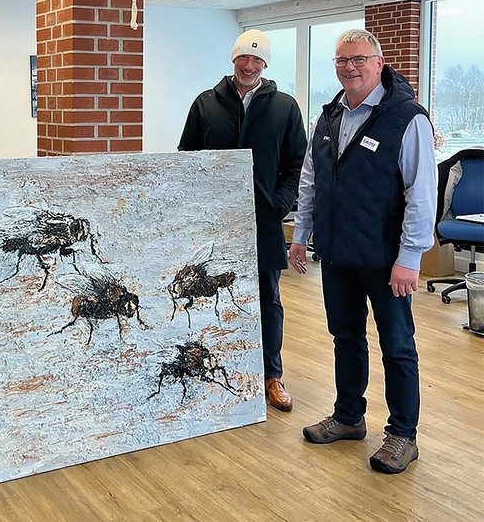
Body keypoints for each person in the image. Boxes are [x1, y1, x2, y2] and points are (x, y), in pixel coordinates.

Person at [290, 29, 437, 474]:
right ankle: (349, 417)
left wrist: (410, 257)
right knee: (346, 338)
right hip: (337, 254)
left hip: (385, 260)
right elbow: (312, 181)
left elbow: (422, 193)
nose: (349, 67)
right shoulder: (329, 116)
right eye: (341, 61)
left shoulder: (407, 118)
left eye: (357, 59)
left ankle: (402, 436)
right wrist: (301, 233)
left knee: (397, 346)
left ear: (379, 62)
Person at [178, 29, 307, 412]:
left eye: (257, 59)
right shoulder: (205, 104)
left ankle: (271, 375)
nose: (249, 65)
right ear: (233, 60)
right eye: (243, 59)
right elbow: (187, 159)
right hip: (214, 225)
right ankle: (213, 367)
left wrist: (280, 203)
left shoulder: (284, 107)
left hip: (263, 222)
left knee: (268, 299)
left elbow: (298, 163)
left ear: (265, 64)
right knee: (205, 296)